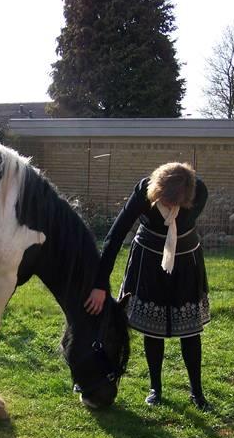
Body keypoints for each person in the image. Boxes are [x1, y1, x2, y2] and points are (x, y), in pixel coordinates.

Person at [85, 162, 211, 408]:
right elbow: (115, 235)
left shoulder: (199, 192)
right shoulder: (143, 192)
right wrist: (100, 283)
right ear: (156, 191)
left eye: (176, 203)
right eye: (166, 201)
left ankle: (197, 392)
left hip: (185, 260)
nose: (171, 206)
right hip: (148, 260)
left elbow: (179, 226)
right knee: (152, 328)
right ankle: (156, 388)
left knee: (190, 331)